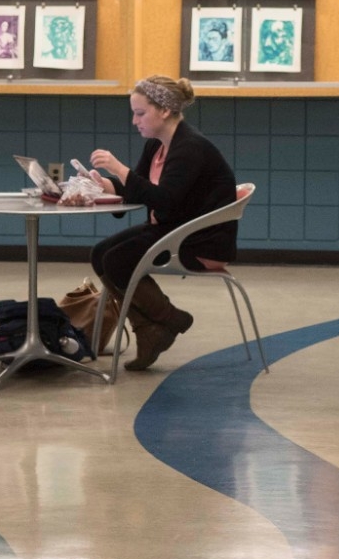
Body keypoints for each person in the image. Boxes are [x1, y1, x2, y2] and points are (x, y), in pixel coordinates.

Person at [87, 76, 237, 370]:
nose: (134, 121)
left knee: (117, 260)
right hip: (172, 229)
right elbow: (139, 190)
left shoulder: (191, 147)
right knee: (99, 254)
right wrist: (104, 185)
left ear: (165, 111)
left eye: (140, 113)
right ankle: (151, 329)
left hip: (197, 240)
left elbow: (164, 200)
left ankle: (170, 319)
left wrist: (119, 168)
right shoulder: (156, 146)